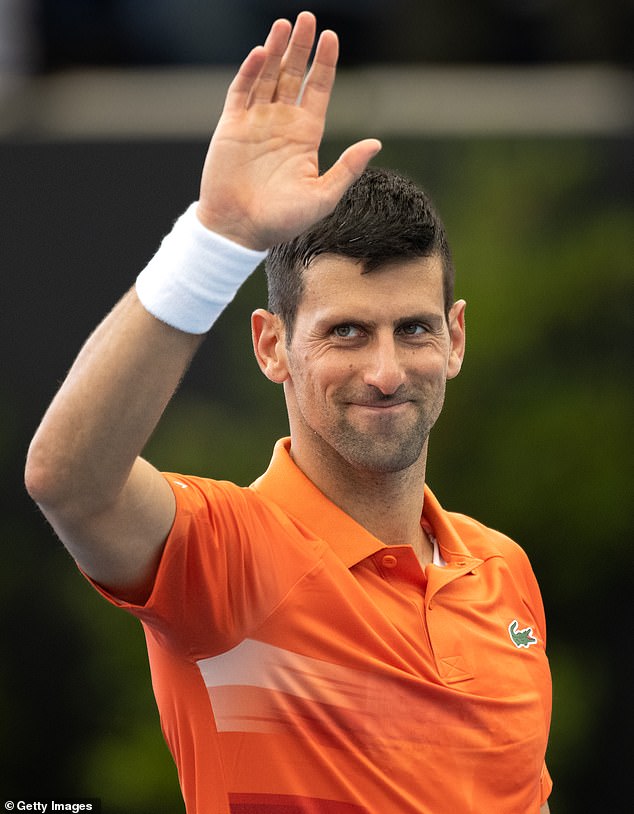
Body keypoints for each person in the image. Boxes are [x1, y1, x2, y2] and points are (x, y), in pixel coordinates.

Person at [25, 11, 552, 814]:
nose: (385, 371)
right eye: (345, 333)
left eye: (412, 329)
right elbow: (69, 479)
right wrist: (218, 238)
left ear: (454, 339)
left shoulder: (505, 574)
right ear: (272, 347)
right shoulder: (224, 555)